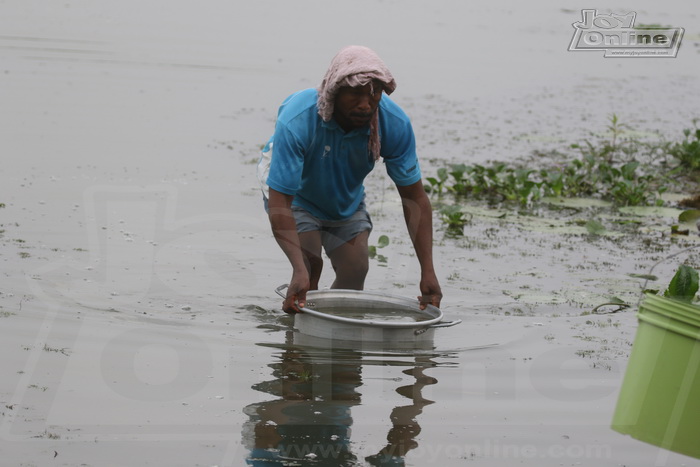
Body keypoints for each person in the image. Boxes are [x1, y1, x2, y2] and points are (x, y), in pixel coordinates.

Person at [259, 45, 441, 314]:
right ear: (334, 92)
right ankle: (295, 349)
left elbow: (414, 198)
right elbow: (280, 200)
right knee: (310, 266)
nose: (366, 105)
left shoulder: (393, 123)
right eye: (355, 94)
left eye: (374, 95)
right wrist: (298, 270)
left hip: (344, 198)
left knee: (356, 270)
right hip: (295, 193)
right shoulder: (299, 118)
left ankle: (334, 339)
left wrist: (428, 271)